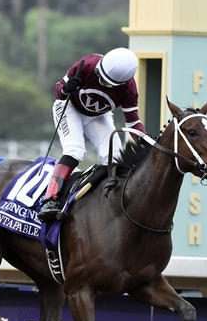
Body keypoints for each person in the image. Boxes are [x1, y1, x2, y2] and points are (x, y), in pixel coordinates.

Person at [38, 47, 145, 222]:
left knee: (116, 158)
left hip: (98, 115)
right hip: (69, 107)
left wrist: (146, 142)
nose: (101, 81)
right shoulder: (87, 64)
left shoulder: (129, 90)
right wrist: (66, 89)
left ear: (122, 83)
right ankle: (51, 199)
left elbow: (133, 122)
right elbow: (58, 91)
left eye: (107, 82)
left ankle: (114, 201)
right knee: (75, 151)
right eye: (99, 75)